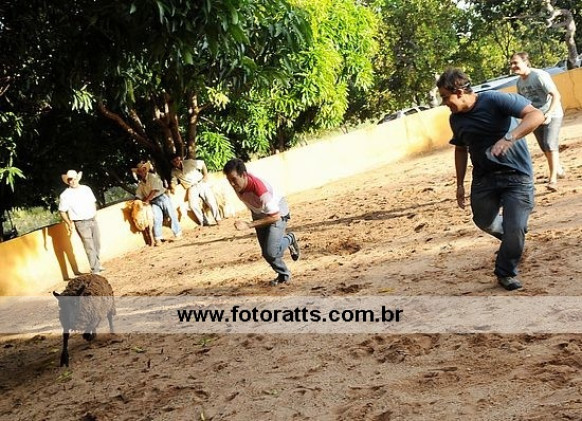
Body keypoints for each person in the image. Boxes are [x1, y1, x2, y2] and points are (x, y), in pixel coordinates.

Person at [437, 68, 544, 291]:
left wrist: (509, 138)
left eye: (446, 97)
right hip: (483, 179)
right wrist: (459, 184)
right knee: (484, 221)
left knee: (515, 229)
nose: (444, 103)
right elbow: (460, 149)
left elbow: (536, 115)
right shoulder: (455, 119)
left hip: (517, 176)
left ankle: (505, 271)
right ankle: (513, 239)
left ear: (459, 92)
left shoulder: (495, 99)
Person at [223, 158, 300, 286]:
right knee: (266, 253)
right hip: (259, 212)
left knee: (271, 251)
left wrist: (248, 225)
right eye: (229, 180)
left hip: (277, 211)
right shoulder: (238, 184)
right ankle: (283, 274)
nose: (232, 184)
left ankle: (290, 238)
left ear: (244, 175)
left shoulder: (260, 190)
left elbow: (275, 216)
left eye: (234, 179)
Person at [510, 52, 566, 191]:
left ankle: (553, 180)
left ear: (525, 62)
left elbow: (556, 95)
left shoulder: (538, 76)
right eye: (511, 64)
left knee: (549, 144)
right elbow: (524, 103)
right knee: (544, 147)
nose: (513, 66)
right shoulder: (519, 83)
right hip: (535, 116)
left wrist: (549, 113)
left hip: (552, 114)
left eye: (516, 63)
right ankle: (558, 169)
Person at [58, 169, 104, 274]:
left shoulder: (86, 189)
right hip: (80, 222)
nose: (72, 181)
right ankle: (95, 268)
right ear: (68, 181)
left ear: (77, 179)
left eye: (74, 179)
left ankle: (97, 264)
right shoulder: (65, 195)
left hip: (92, 218)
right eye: (70, 179)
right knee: (89, 245)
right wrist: (69, 222)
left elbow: (93, 202)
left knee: (97, 243)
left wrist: (94, 213)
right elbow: (62, 211)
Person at [133, 161, 182, 246]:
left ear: (145, 170)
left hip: (162, 198)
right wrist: (136, 201)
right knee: (157, 218)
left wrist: (147, 200)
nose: (141, 172)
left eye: (142, 170)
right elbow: (138, 194)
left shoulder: (152, 177)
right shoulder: (141, 183)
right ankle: (158, 239)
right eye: (139, 171)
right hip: (154, 202)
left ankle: (178, 234)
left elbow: (154, 190)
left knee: (171, 214)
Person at [170, 154, 221, 227]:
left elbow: (202, 163)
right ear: (172, 163)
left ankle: (218, 219)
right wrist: (172, 188)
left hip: (201, 182)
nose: (176, 162)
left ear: (179, 158)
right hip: (191, 187)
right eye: (174, 161)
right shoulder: (174, 171)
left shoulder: (189, 162)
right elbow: (173, 181)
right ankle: (203, 222)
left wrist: (205, 175)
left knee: (210, 200)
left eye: (177, 160)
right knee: (193, 205)